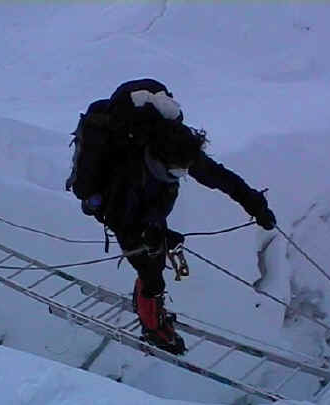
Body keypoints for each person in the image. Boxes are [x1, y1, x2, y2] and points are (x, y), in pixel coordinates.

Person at [66, 78, 276, 355]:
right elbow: (121, 221)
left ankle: (152, 303)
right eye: (174, 172)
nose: (178, 175)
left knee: (155, 251)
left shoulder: (178, 149)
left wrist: (255, 205)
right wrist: (153, 234)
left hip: (148, 205)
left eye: (182, 172)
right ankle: (152, 326)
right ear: (157, 159)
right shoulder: (126, 172)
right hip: (120, 209)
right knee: (150, 272)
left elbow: (220, 177)